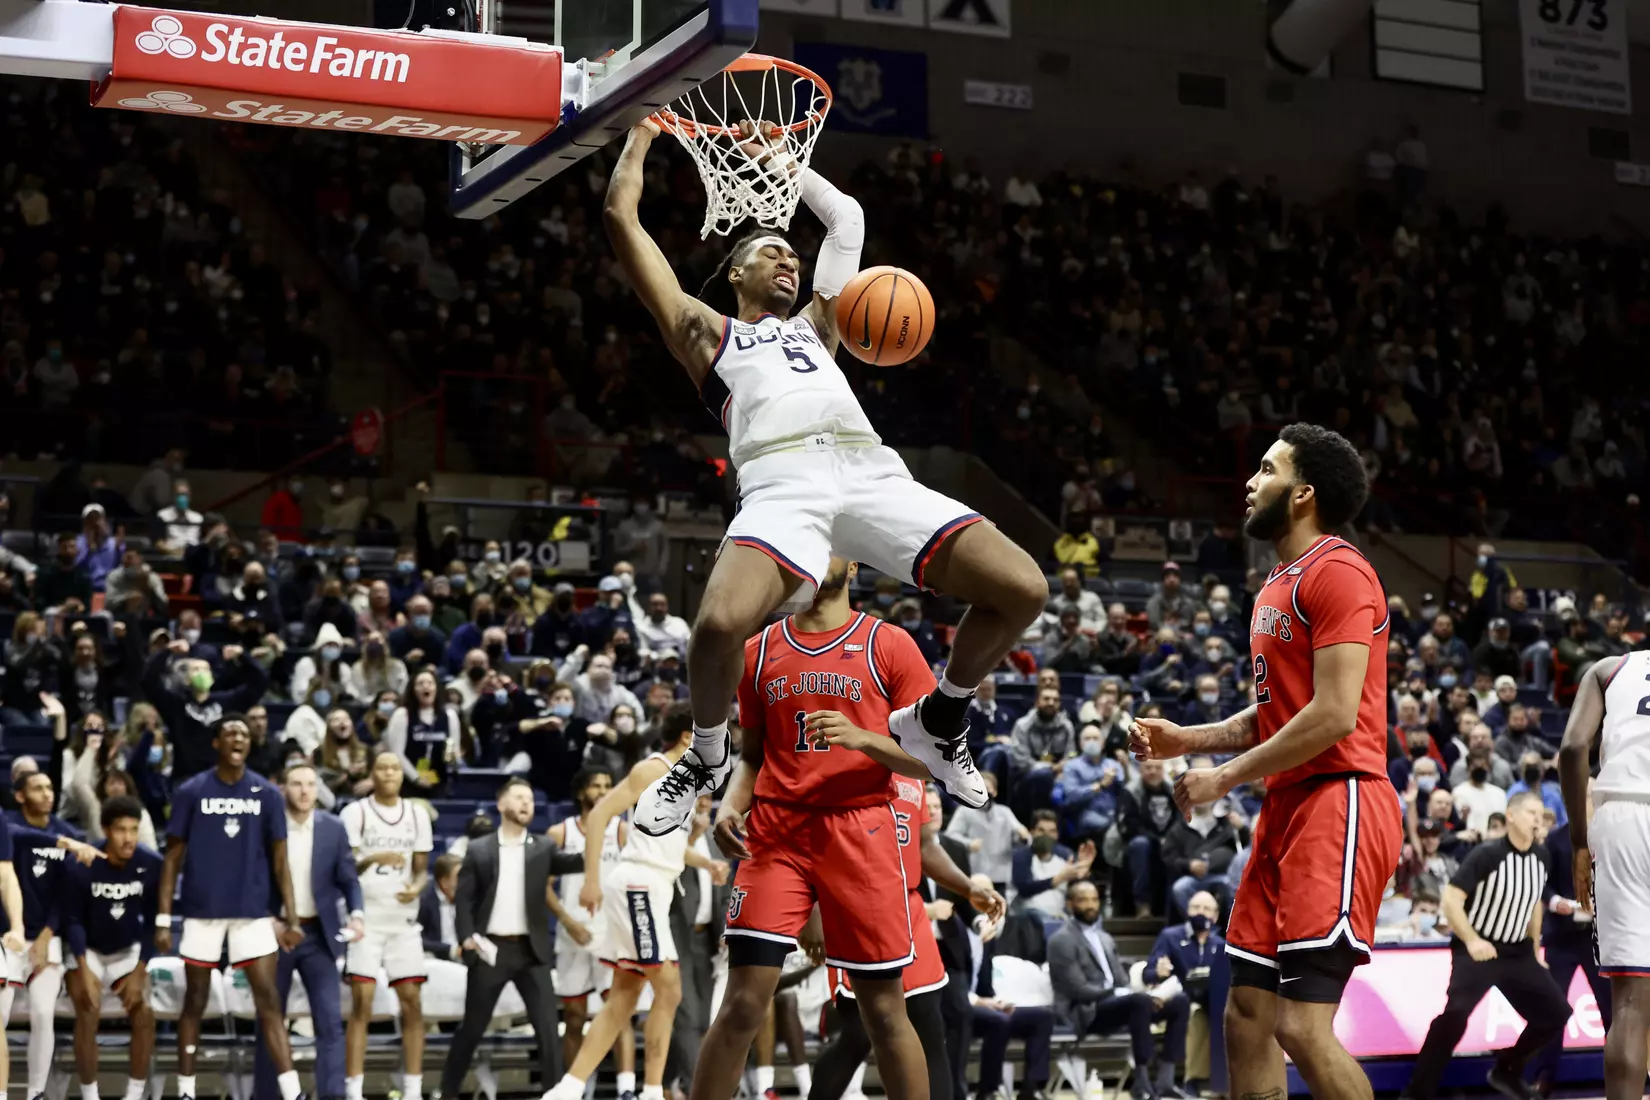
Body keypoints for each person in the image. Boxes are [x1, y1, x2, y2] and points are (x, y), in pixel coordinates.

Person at [603, 119, 1044, 834]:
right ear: (736, 273)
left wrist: (779, 161)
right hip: (783, 483)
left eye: (791, 255)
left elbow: (846, 219)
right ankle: (708, 757)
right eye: (769, 252)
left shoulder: (822, 327)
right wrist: (643, 133)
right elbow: (621, 218)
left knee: (1023, 588)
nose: (788, 260)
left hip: (869, 470)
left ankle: (941, 715)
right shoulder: (706, 333)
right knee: (716, 626)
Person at [1129, 424, 1401, 1100]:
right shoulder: (1279, 582)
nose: (1249, 483)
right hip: (1286, 808)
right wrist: (1187, 741)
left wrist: (1224, 776)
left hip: (1340, 802)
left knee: (1302, 1029)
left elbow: (1335, 715)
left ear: (1302, 492)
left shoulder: (1338, 570)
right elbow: (1279, 714)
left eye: (1266, 470)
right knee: (1245, 1016)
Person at [541, 706, 727, 1100]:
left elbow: (667, 847)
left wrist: (706, 860)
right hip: (638, 884)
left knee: (623, 997)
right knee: (671, 990)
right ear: (687, 739)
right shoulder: (653, 769)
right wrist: (590, 879)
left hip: (654, 884)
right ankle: (652, 1090)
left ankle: (568, 1088)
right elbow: (599, 817)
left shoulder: (688, 782)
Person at [811, 783, 1004, 1100]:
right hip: (854, 907)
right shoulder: (843, 762)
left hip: (908, 911)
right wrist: (815, 909)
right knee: (859, 1034)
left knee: (931, 1030)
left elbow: (927, 846)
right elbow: (814, 841)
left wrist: (969, 888)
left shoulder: (912, 777)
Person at [155, 714, 305, 1100]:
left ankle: (293, 1093)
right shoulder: (191, 791)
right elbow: (172, 858)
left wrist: (290, 915)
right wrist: (162, 916)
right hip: (201, 911)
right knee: (195, 1001)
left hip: (252, 911)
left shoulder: (268, 794)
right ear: (216, 744)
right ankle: (186, 1091)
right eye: (229, 733)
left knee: (268, 1000)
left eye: (243, 733)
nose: (238, 738)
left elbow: (280, 861)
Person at [1401, 793, 1570, 1100]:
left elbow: (1533, 904)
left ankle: (1507, 1069)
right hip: (1476, 948)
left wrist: (1534, 952)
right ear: (1511, 816)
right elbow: (1451, 899)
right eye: (1531, 813)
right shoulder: (1487, 853)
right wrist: (1473, 940)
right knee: (1454, 1016)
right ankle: (1416, 1092)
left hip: (1517, 951)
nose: (1538, 819)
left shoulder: (1542, 856)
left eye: (1540, 814)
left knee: (1556, 1013)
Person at [440, 778, 584, 1097]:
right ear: (501, 803)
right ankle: (447, 1092)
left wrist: (601, 841)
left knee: (548, 1031)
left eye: (530, 800)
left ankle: (554, 1094)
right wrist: (466, 940)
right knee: (471, 1030)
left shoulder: (543, 846)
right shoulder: (479, 849)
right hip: (491, 950)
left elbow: (575, 863)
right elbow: (464, 900)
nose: (526, 804)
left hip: (531, 951)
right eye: (519, 798)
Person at [1558, 649, 1650, 1100]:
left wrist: (1579, 839)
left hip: (1624, 818)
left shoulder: (1610, 669)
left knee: (1631, 1006)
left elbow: (1574, 747)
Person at [254, 763, 363, 1100]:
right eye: (297, 784)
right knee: (270, 1022)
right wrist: (266, 918)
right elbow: (253, 879)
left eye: (310, 784)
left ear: (318, 789)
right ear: (282, 788)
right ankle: (267, 1096)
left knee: (330, 1022)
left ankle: (332, 1095)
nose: (304, 791)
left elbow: (348, 877)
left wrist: (357, 914)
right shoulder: (266, 827)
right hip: (275, 933)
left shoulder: (333, 827)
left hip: (319, 936)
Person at [340, 751, 433, 1100]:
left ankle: (412, 1089)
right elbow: (346, 870)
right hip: (367, 918)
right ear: (372, 773)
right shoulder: (356, 813)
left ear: (401, 774)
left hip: (403, 921)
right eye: (383, 767)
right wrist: (375, 858)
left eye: (395, 767)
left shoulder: (417, 815)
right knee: (361, 1002)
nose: (390, 772)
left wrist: (417, 886)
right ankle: (354, 1090)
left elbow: (422, 867)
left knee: (412, 1001)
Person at [1049, 880, 1190, 1100]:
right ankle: (1141, 1083)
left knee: (1179, 1001)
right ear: (1070, 904)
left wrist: (1143, 994)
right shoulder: (1061, 940)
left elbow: (1122, 981)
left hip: (1120, 1006)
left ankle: (1166, 1081)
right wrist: (1127, 995)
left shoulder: (1104, 938)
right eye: (1083, 900)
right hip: (1087, 1011)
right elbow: (1078, 990)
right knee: (1139, 1002)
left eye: (1094, 899)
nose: (1091, 905)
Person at [7, 768, 99, 1100]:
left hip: (49, 940)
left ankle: (36, 1092)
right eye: (38, 789)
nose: (48, 794)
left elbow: (69, 896)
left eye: (50, 788)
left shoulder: (69, 832)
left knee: (43, 1013)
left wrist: (47, 935)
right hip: (10, 937)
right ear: (20, 796)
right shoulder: (8, 826)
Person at [64, 796, 162, 1100]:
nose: (129, 837)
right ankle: (90, 1095)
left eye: (134, 829)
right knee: (88, 1009)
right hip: (87, 950)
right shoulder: (84, 863)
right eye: (121, 830)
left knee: (144, 1013)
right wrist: (82, 966)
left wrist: (140, 969)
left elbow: (153, 925)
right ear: (106, 830)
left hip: (126, 950)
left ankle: (133, 1095)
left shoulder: (150, 864)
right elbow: (73, 920)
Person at [545, 767, 633, 1084]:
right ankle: (577, 1087)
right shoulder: (560, 833)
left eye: (608, 785)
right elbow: (542, 885)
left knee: (618, 1013)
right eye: (596, 785)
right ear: (582, 792)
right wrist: (567, 923)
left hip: (611, 934)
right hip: (574, 935)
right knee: (573, 1017)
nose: (603, 790)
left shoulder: (622, 831)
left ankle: (625, 1089)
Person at [141, 639, 270, 782]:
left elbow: (260, 682)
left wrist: (242, 656)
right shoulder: (175, 704)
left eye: (205, 669)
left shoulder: (228, 702)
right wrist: (167, 652)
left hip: (221, 778)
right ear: (186, 679)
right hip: (186, 779)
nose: (201, 673)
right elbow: (149, 682)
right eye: (195, 669)